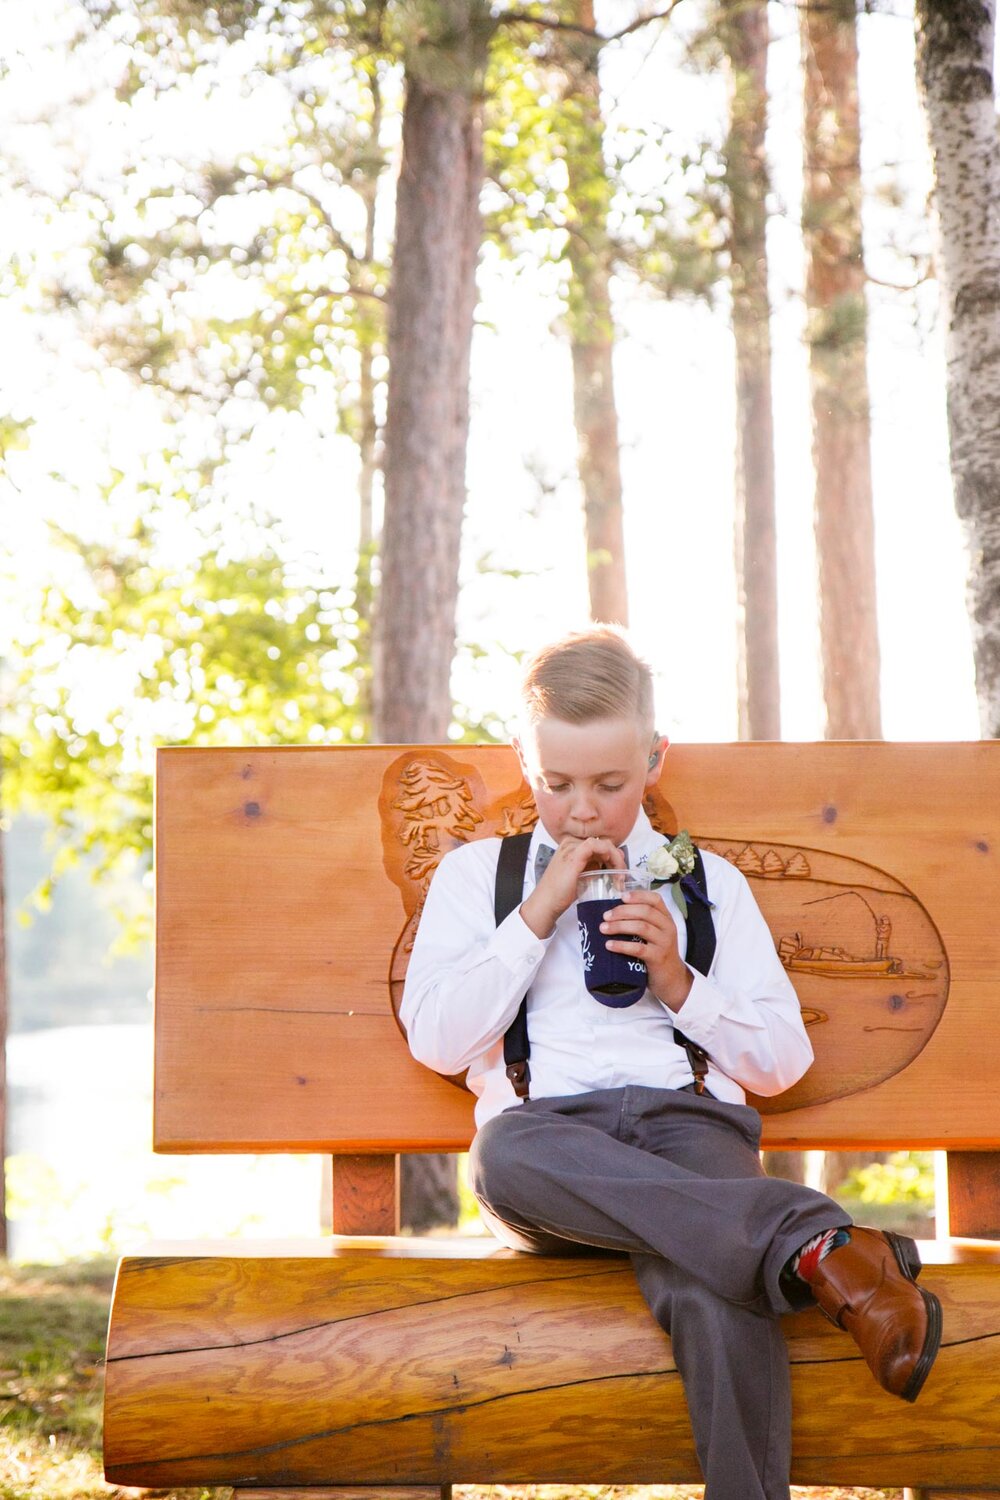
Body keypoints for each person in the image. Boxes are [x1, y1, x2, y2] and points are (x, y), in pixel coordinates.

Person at [400, 625, 941, 1500]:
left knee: (712, 1289)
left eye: (610, 785)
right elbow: (434, 1039)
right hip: (552, 1154)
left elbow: (780, 1064)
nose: (582, 810)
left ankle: (785, 1263)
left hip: (691, 1130)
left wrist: (680, 981)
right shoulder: (478, 881)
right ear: (521, 760)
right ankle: (818, 1245)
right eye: (557, 783)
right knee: (503, 1153)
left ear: (655, 758)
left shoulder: (708, 884)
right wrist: (534, 917)